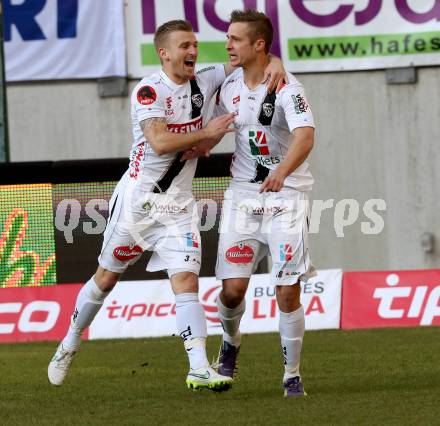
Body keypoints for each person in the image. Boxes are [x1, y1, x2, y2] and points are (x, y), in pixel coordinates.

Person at [48, 19, 286, 392]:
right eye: (184, 46)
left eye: (194, 44)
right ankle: (70, 341)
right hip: (139, 205)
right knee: (106, 278)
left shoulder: (204, 80)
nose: (192, 51)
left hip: (178, 208)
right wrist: (206, 134)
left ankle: (197, 367)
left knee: (187, 280)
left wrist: (275, 62)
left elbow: (251, 59)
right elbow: (158, 142)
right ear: (164, 53)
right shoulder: (148, 91)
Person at [212, 10, 315, 397]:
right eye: (228, 38)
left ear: (258, 44)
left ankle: (292, 374)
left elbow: (305, 136)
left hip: (286, 197)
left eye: (235, 39)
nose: (228, 45)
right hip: (242, 197)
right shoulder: (227, 84)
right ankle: (230, 342)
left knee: (287, 290)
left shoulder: (288, 87)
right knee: (233, 291)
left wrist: (282, 173)